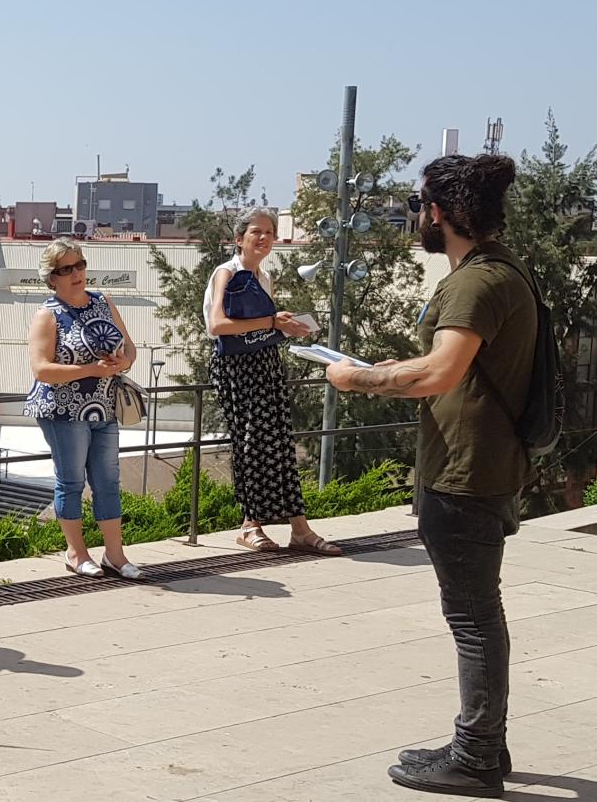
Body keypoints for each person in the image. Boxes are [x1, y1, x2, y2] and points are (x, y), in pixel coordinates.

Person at [327, 154, 529, 799]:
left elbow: (440, 373)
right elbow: (453, 365)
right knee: (478, 613)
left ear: (439, 213)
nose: (419, 216)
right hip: (482, 465)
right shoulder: (501, 269)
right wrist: (389, 370)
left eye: (420, 205)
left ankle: (474, 757)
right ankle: (484, 745)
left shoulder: (476, 283)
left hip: (466, 472)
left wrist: (357, 377)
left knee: (472, 617)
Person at [205, 207, 341, 556]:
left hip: (266, 362)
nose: (264, 238)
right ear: (239, 238)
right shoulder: (226, 272)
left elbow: (264, 325)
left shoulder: (264, 278)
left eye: (269, 232)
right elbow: (218, 325)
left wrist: (285, 326)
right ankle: (250, 524)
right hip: (236, 366)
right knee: (250, 442)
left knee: (279, 443)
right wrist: (271, 321)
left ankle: (299, 527)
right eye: (256, 231)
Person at [23, 239, 142, 579]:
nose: (76, 273)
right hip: (63, 411)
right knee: (71, 480)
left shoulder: (103, 301)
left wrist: (121, 362)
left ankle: (115, 555)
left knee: (108, 481)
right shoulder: (48, 315)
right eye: (66, 269)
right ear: (52, 278)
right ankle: (76, 553)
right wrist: (91, 370)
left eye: (80, 265)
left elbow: (130, 349)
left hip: (104, 407)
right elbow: (41, 369)